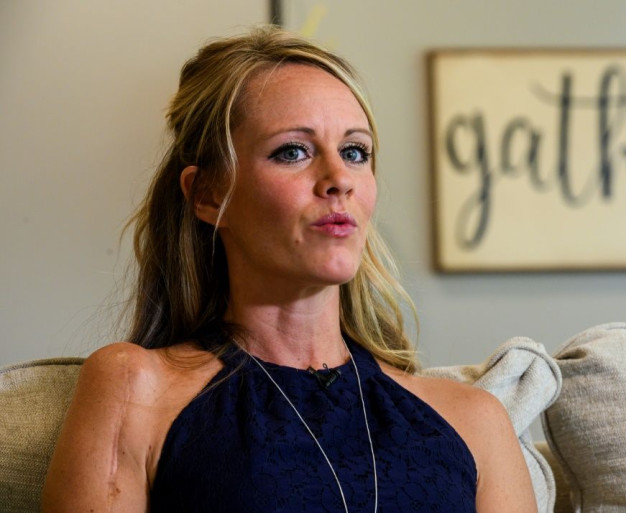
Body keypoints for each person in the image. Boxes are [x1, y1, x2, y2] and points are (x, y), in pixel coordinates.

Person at [41, 25, 536, 512]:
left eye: (355, 151)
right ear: (209, 195)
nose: (339, 178)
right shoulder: (134, 389)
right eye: (292, 151)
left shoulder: (475, 421)